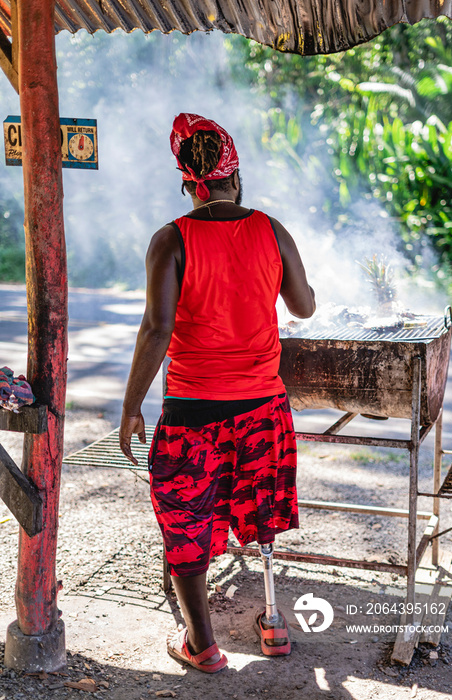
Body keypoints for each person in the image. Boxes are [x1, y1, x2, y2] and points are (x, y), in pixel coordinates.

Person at [119, 113, 315, 673]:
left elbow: (157, 329)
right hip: (263, 410)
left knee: (187, 526)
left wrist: (132, 408)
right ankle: (273, 625)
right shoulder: (272, 230)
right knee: (260, 513)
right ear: (237, 174)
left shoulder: (170, 240)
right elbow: (303, 307)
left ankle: (202, 646)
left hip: (193, 415)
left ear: (186, 180)